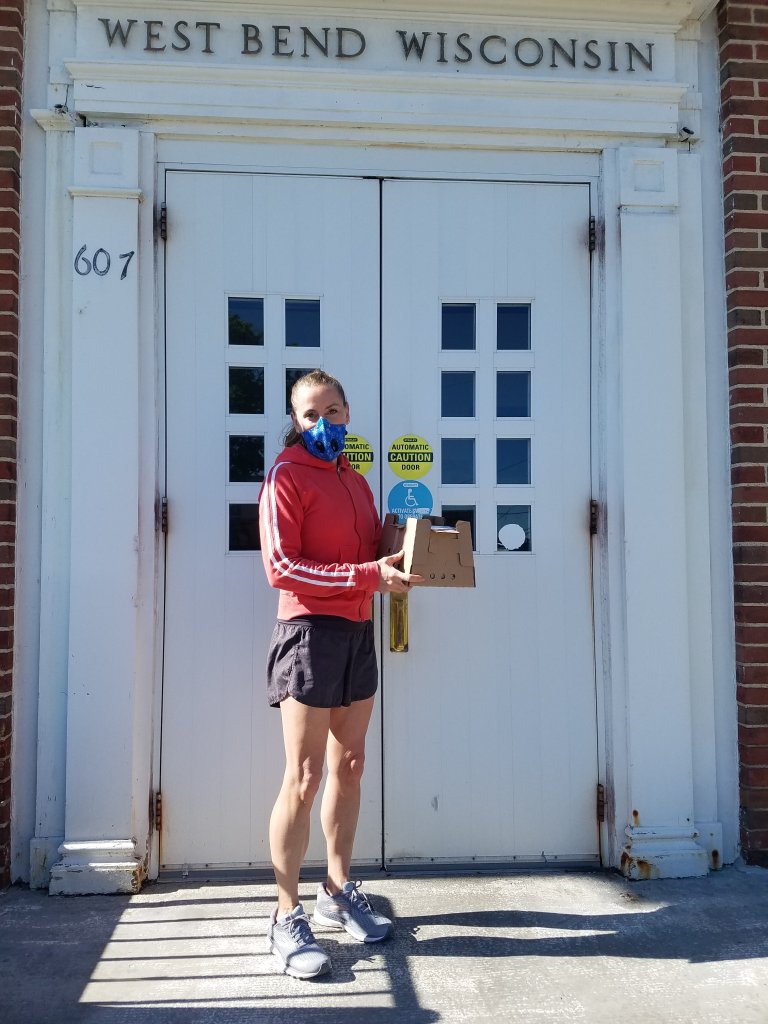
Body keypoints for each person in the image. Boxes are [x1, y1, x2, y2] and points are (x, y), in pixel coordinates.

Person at [258, 369, 422, 980]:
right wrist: (370, 575)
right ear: (295, 421)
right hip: (308, 634)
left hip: (356, 632)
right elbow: (282, 567)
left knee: (349, 765)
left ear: (348, 413)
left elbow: (365, 556)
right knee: (302, 778)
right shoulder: (285, 475)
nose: (323, 422)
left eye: (332, 411)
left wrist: (399, 542)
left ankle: (337, 889)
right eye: (310, 414)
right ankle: (285, 914)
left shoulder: (354, 479)